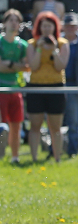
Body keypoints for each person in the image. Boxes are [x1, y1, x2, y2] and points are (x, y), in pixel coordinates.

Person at [0, 9, 29, 163]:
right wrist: (15, 65)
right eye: (10, 20)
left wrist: (8, 64)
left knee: (17, 125)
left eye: (17, 20)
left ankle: (15, 157)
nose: (14, 23)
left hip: (15, 89)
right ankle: (0, 157)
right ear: (4, 23)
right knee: (2, 126)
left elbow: (26, 66)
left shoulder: (22, 45)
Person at [26, 11, 70, 163]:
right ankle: (34, 158)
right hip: (36, 87)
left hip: (56, 87)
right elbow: (33, 66)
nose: (46, 29)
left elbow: (60, 66)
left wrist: (54, 49)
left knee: (55, 126)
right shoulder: (31, 44)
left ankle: (57, 158)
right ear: (39, 27)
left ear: (54, 27)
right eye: (43, 26)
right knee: (35, 125)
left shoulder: (62, 43)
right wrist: (39, 48)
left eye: (49, 26)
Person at [64, 12, 78, 157]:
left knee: (74, 122)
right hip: (59, 85)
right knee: (55, 122)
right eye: (67, 25)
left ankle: (73, 151)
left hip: (74, 85)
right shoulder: (57, 42)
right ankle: (53, 150)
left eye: (73, 25)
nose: (70, 28)